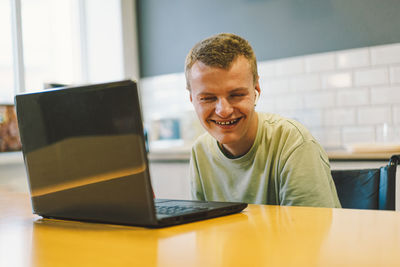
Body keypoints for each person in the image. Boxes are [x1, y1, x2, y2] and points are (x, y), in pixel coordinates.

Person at [184, 33, 341, 208]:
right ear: (192, 99)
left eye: (236, 95)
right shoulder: (200, 152)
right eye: (207, 98)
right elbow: (203, 229)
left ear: (256, 90)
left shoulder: (293, 142)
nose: (224, 111)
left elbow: (309, 232)